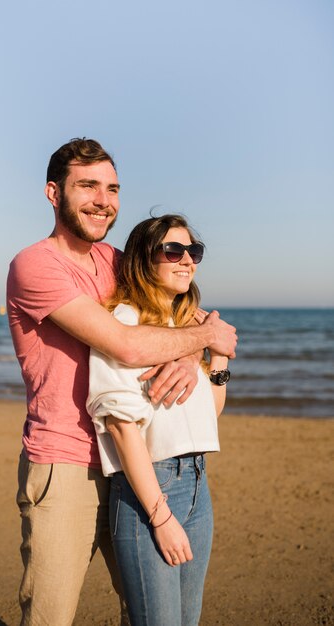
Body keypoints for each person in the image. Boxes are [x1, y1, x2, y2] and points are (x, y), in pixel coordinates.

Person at [6, 138, 237, 626]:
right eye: (87, 185)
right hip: (67, 463)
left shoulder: (116, 261)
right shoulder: (35, 265)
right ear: (53, 193)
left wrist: (197, 347)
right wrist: (204, 337)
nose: (103, 200)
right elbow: (126, 344)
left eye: (112, 188)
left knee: (147, 610)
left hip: (137, 466)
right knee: (50, 616)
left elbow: (186, 318)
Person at [87, 214, 228, 626]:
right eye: (173, 250)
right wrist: (160, 515)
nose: (187, 260)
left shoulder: (189, 327)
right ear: (142, 259)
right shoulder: (125, 323)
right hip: (150, 488)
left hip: (198, 482)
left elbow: (209, 415)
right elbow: (121, 427)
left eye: (193, 251)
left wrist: (216, 355)